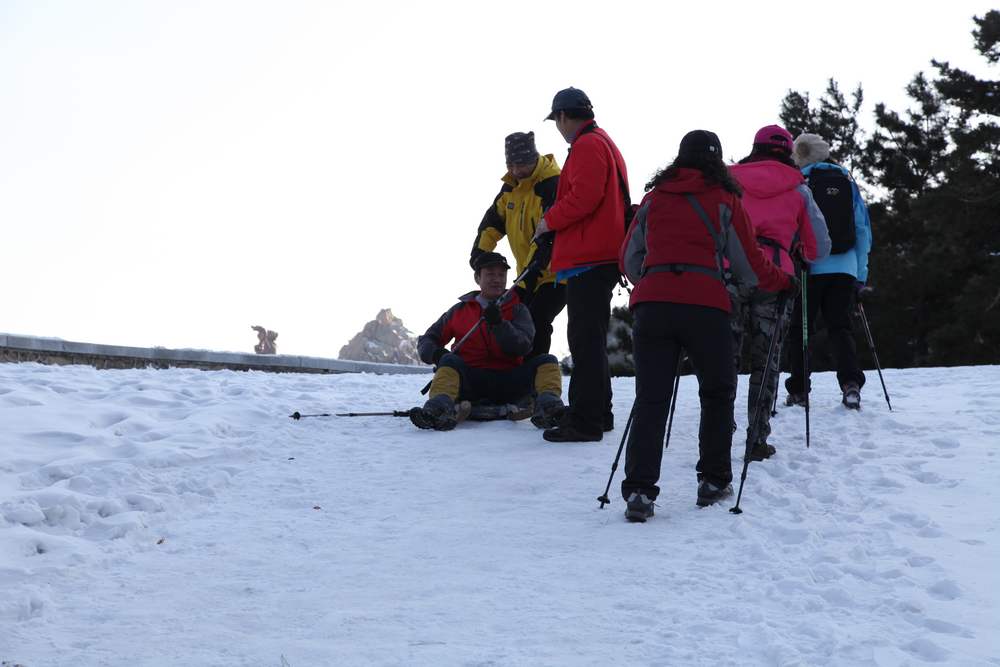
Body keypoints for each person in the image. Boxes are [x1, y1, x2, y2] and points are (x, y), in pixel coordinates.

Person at [618, 130, 794, 521]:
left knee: (651, 398)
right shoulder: (726, 201)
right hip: (706, 307)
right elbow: (749, 268)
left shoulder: (654, 199)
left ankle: (639, 492)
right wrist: (783, 281)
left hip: (654, 305)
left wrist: (650, 281)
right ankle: (713, 481)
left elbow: (629, 259)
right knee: (716, 393)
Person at [728, 125, 831, 461]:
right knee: (766, 361)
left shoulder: (729, 181)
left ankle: (719, 423)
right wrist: (795, 245)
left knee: (723, 356)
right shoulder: (798, 188)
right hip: (776, 277)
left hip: (730, 272)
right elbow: (820, 247)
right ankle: (756, 439)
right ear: (788, 153)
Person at [533, 86, 629, 442]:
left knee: (584, 341)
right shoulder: (602, 142)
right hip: (599, 255)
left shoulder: (588, 146)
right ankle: (597, 413)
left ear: (562, 116)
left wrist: (548, 221)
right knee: (590, 340)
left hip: (590, 256)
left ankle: (586, 421)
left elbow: (584, 197)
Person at [409, 252, 564, 431]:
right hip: (470, 380)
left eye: (501, 275)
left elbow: (523, 346)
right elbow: (428, 339)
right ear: (477, 277)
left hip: (510, 381)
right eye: (490, 274)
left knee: (547, 361)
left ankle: (550, 408)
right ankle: (437, 409)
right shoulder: (459, 311)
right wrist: (436, 353)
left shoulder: (518, 309)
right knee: (449, 361)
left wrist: (499, 325)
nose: (497, 279)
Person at [784, 133, 873, 410]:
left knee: (801, 329)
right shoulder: (846, 182)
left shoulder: (799, 184)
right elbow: (862, 229)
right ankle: (850, 384)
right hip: (845, 268)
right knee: (840, 327)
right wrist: (860, 274)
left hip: (809, 266)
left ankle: (799, 389)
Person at [470, 132, 565, 358]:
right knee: (514, 323)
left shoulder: (552, 184)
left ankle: (537, 379)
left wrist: (535, 267)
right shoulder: (511, 188)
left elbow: (549, 232)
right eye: (511, 165)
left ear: (534, 159)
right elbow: (492, 223)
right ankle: (514, 376)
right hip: (526, 275)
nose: (516, 170)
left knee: (537, 322)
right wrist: (480, 254)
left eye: (521, 164)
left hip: (556, 274)